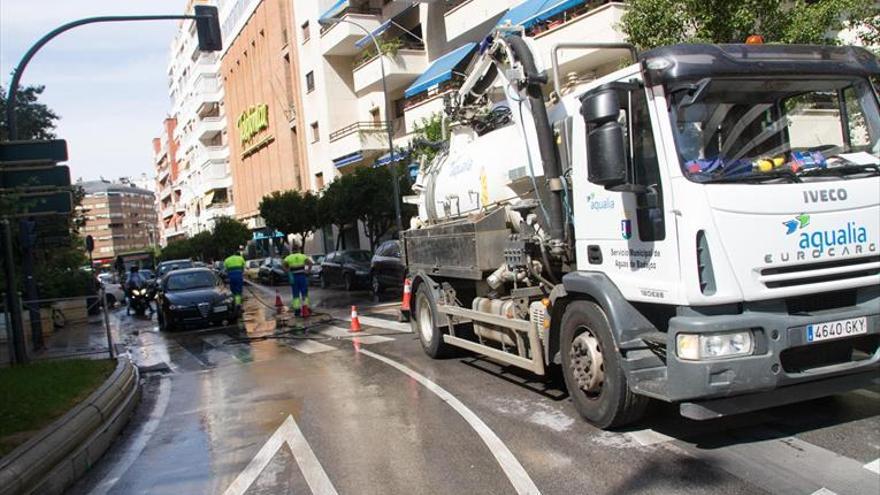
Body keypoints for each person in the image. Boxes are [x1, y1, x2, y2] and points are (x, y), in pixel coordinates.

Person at [283, 246, 313, 317]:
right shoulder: (302, 256)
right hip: (302, 277)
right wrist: (307, 271)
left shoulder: (288, 257)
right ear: (298, 250)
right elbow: (310, 263)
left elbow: (283, 265)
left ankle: (297, 311)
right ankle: (306, 308)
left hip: (293, 278)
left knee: (295, 294)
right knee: (304, 293)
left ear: (292, 250)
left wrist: (288, 272)